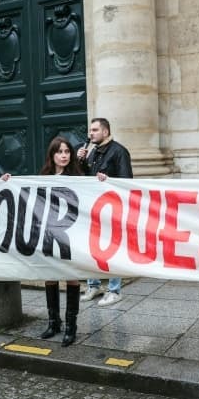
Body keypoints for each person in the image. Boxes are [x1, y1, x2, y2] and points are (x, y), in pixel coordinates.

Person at [1, 136, 82, 346]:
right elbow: (27, 192)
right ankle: (54, 322)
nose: (64, 155)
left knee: (72, 277)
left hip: (70, 233)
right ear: (52, 155)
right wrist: (10, 181)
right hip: (48, 233)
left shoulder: (79, 176)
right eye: (59, 152)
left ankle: (71, 327)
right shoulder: (44, 176)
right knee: (51, 276)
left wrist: (101, 180)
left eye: (67, 151)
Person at [76, 117, 133, 306]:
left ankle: (114, 290)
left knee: (112, 249)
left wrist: (108, 180)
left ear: (105, 132)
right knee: (91, 248)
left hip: (112, 208)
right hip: (93, 208)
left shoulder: (119, 151)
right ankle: (94, 286)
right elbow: (85, 177)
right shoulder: (92, 151)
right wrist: (81, 161)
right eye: (90, 131)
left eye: (94, 130)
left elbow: (127, 182)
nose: (90, 134)